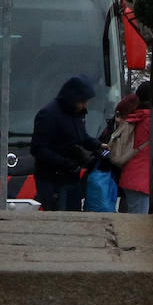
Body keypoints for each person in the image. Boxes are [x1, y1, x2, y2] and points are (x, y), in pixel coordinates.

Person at [30, 76, 104, 211]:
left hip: (71, 178)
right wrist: (64, 162)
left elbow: (82, 137)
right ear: (72, 98)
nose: (85, 105)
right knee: (58, 220)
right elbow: (38, 149)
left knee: (73, 216)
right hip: (52, 180)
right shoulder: (48, 114)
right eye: (83, 101)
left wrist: (98, 145)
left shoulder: (75, 113)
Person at [117, 83, 153, 214]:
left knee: (131, 217)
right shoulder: (150, 121)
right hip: (140, 180)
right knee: (138, 222)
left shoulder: (136, 116)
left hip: (131, 175)